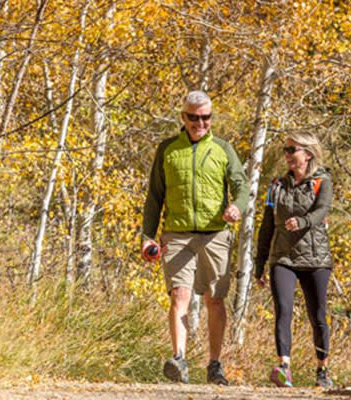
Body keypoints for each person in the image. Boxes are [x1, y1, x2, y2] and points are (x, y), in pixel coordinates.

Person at [141, 90, 249, 385]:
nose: (200, 123)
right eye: (194, 117)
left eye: (206, 118)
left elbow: (241, 187)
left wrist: (236, 208)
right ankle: (179, 359)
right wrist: (147, 236)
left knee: (214, 299)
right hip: (176, 234)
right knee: (180, 295)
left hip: (215, 234)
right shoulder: (167, 150)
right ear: (183, 118)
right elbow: (154, 197)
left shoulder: (223, 149)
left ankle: (214, 364)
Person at [253, 132, 334, 389]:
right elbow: (267, 225)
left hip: (315, 257)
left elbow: (322, 209)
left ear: (307, 154)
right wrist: (260, 264)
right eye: (285, 150)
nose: (286, 155)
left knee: (318, 314)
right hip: (283, 257)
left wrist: (303, 222)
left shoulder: (323, 181)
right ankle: (284, 367)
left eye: (292, 150)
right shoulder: (275, 185)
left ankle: (322, 367)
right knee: (283, 311)